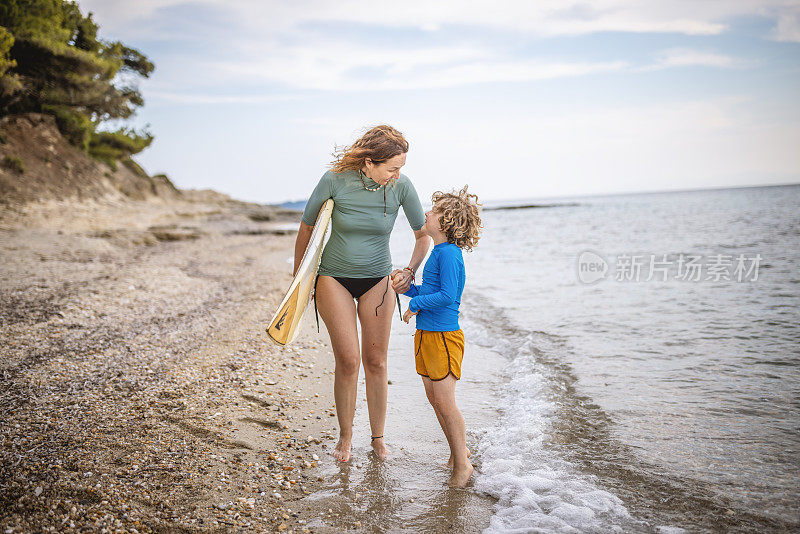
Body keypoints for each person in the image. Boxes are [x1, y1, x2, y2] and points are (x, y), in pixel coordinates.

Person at [295, 125, 430, 462]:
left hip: (377, 282)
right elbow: (307, 226)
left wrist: (410, 270)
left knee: (376, 361)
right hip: (334, 278)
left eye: (401, 167)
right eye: (392, 167)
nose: (398, 174)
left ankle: (378, 439)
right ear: (370, 162)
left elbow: (423, 235)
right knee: (349, 360)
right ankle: (345, 437)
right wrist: (299, 280)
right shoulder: (334, 180)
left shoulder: (402, 187)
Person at [391, 186, 482, 487]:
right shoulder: (437, 252)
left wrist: (415, 305)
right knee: (435, 400)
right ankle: (458, 453)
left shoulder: (450, 254)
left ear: (445, 223)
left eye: (434, 211)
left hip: (444, 337)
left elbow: (449, 296)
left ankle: (462, 464)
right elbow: (430, 292)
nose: (427, 213)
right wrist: (408, 290)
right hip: (427, 335)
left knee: (445, 401)